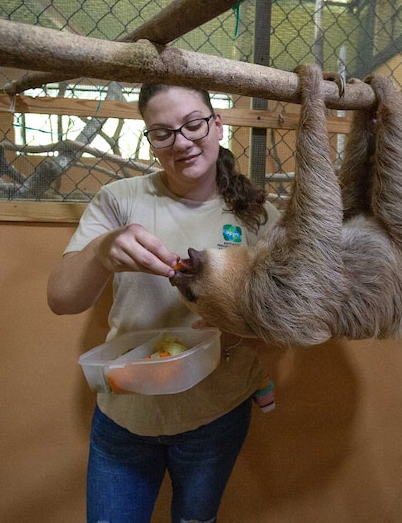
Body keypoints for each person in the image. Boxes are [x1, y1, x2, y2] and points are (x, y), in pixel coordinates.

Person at [47, 83, 279, 523]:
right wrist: (101, 252)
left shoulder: (258, 216)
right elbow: (60, 299)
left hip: (215, 412)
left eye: (194, 124)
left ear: (218, 124)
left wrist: (237, 324)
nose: (183, 142)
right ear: (150, 140)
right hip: (125, 416)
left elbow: (288, 318)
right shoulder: (120, 201)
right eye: (163, 133)